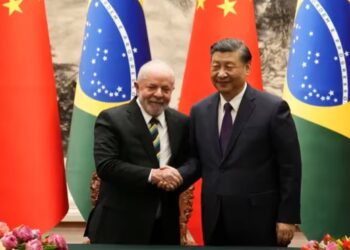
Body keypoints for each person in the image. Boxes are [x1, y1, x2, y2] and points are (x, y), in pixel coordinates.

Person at [176, 38, 302, 246]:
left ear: (247, 68)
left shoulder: (273, 109)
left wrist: (287, 217)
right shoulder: (200, 110)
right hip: (214, 216)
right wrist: (175, 176)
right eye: (216, 66)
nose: (221, 73)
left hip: (259, 219)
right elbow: (197, 160)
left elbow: (290, 166)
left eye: (229, 66)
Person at [84, 59, 188, 244]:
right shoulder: (111, 119)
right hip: (119, 227)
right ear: (137, 87)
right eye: (152, 87)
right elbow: (106, 166)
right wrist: (152, 175)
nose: (158, 94)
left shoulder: (182, 122)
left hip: (164, 228)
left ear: (173, 90)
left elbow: (192, 161)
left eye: (165, 89)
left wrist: (177, 176)